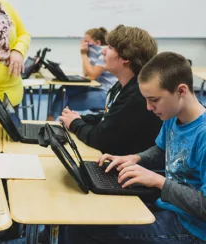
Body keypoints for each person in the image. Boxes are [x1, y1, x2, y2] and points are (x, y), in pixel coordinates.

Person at [59, 52, 206, 243]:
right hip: (167, 207)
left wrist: (159, 181)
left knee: (87, 227)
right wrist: (135, 158)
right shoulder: (173, 117)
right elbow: (161, 151)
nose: (148, 107)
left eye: (154, 100)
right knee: (84, 211)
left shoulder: (202, 134)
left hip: (190, 229)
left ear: (181, 91)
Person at [60, 25, 162, 155]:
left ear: (126, 58)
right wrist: (80, 118)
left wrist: (75, 123)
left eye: (110, 48)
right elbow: (110, 118)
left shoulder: (137, 96)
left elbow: (100, 139)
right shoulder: (122, 85)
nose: (103, 51)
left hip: (129, 169)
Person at [47, 27, 117, 120]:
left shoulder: (103, 53)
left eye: (86, 41)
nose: (83, 44)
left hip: (106, 92)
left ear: (98, 43)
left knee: (64, 102)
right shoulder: (94, 53)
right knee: (64, 90)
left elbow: (92, 75)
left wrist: (83, 55)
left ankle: (51, 121)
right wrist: (86, 55)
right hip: (96, 87)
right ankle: (50, 120)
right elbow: (86, 74)